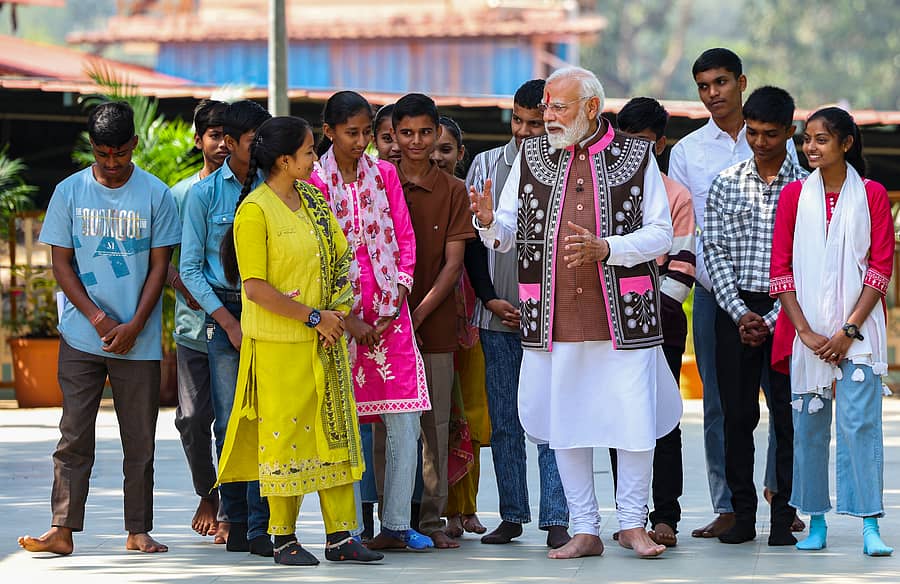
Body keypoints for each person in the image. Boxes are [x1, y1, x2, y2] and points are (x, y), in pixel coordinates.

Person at [470, 66, 681, 559]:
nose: (549, 116)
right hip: (554, 315)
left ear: (591, 108)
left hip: (624, 315)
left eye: (559, 107)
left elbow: (661, 234)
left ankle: (633, 524)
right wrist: (487, 222)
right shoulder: (532, 156)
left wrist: (608, 248)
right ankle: (584, 528)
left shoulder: (636, 156)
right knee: (566, 423)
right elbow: (506, 232)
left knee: (633, 420)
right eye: (547, 107)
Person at [214, 115, 383, 566]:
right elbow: (255, 288)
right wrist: (313, 317)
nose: (314, 159)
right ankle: (283, 537)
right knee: (285, 440)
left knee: (334, 435)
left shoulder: (313, 199)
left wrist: (336, 314)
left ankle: (341, 536)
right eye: (309, 152)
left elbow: (341, 258)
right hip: (279, 348)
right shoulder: (255, 211)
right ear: (284, 160)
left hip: (324, 342)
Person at [18, 101, 180, 555]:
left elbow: (160, 267)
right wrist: (98, 318)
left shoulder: (156, 195)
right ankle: (62, 529)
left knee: (140, 439)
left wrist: (134, 325)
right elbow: (61, 265)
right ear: (92, 146)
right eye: (103, 154)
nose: (111, 163)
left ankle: (138, 530)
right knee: (73, 433)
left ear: (134, 145)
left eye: (120, 154)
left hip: (138, 339)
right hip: (81, 336)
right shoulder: (69, 192)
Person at [668, 48, 800, 538]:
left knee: (785, 403)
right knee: (723, 404)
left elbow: (800, 244)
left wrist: (772, 312)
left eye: (721, 82)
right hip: (716, 293)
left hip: (785, 299)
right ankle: (729, 506)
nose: (712, 94)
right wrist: (738, 308)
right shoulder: (689, 153)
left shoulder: (787, 155)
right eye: (703, 86)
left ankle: (783, 500)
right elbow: (696, 235)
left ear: (741, 82)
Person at [308, 91, 433, 551]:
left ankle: (396, 523)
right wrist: (347, 318)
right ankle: (351, 528)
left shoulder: (385, 175)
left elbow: (404, 236)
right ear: (328, 132)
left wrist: (398, 295)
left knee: (405, 421)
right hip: (339, 322)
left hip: (390, 317)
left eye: (366, 132)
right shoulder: (313, 182)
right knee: (347, 426)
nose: (361, 141)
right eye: (351, 133)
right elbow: (315, 254)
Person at [771, 107, 894, 556]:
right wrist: (803, 331)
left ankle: (869, 525)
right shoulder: (793, 196)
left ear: (846, 143)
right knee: (808, 429)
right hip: (809, 333)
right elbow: (780, 269)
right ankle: (816, 521)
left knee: (860, 425)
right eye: (807, 139)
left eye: (821, 139)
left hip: (859, 333)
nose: (811, 147)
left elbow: (880, 268)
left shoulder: (873, 194)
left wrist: (848, 330)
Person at [464, 78, 570, 549]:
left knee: (552, 421)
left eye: (536, 124)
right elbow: (472, 242)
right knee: (504, 421)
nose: (525, 132)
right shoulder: (485, 165)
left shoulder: (569, 166)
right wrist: (489, 299)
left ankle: (557, 518)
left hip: (554, 321)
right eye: (519, 121)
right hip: (496, 317)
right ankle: (511, 515)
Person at [703, 86, 807, 546]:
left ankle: (783, 516)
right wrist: (740, 311)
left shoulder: (806, 188)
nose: (760, 142)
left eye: (771, 134)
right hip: (735, 309)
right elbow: (714, 250)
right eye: (753, 133)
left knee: (787, 415)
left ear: (790, 131)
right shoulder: (726, 182)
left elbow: (809, 261)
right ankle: (742, 516)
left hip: (790, 311)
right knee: (736, 416)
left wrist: (770, 318)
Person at [180, 100, 273, 556]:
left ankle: (263, 523)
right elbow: (190, 269)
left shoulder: (274, 187)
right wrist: (227, 322)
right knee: (230, 422)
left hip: (271, 308)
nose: (262, 149)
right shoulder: (202, 195)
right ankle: (234, 518)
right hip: (224, 314)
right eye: (255, 142)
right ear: (231, 143)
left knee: (269, 419)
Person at [609, 96, 695, 548]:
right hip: (609, 324)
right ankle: (630, 516)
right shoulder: (604, 190)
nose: (634, 150)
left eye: (643, 142)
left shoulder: (675, 194)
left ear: (660, 144)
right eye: (626, 141)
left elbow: (681, 269)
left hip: (661, 322)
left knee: (663, 419)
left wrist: (641, 314)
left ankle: (665, 515)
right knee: (617, 419)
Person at [393, 93, 475, 549]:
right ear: (393, 135)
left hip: (435, 322)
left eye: (426, 132)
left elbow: (453, 263)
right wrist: (396, 317)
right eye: (407, 133)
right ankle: (389, 520)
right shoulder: (379, 182)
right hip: (384, 325)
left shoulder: (454, 190)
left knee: (435, 426)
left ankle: (431, 519)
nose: (417, 141)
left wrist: (418, 314)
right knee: (386, 426)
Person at [168, 98, 229, 541]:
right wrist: (186, 286)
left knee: (229, 420)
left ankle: (230, 508)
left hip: (236, 325)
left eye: (229, 136)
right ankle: (206, 492)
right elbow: (162, 260)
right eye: (214, 135)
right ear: (197, 140)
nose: (222, 143)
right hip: (192, 327)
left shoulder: (249, 191)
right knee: (192, 419)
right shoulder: (180, 195)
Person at [431, 116, 491, 539]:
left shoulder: (471, 201)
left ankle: (467, 507)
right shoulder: (407, 194)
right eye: (431, 148)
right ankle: (444, 509)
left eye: (446, 149)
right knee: (440, 413)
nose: (437, 156)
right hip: (431, 316)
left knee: (471, 414)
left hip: (471, 318)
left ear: (461, 154)